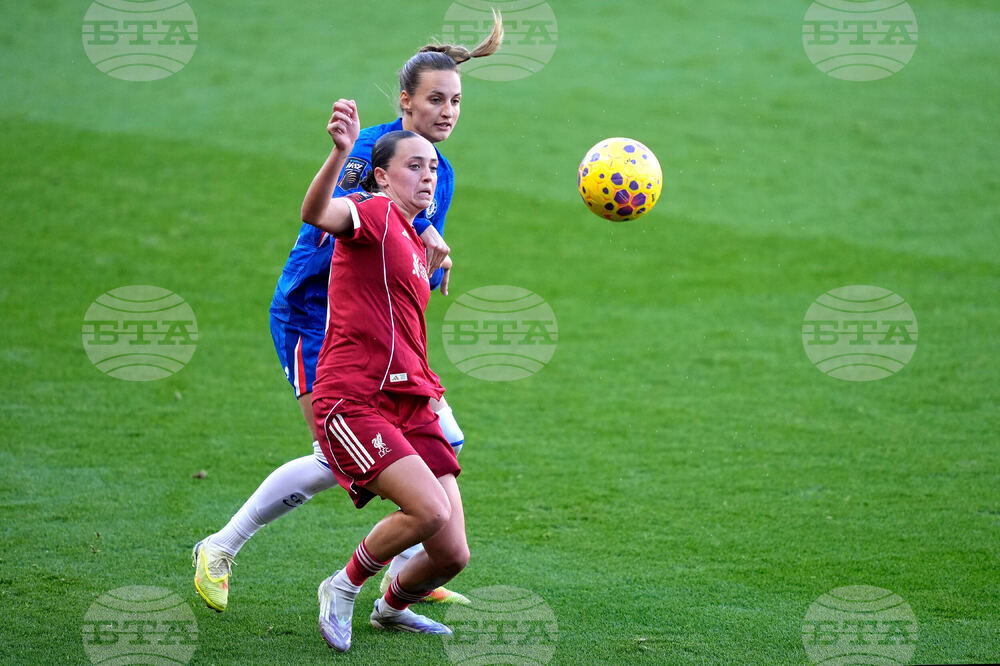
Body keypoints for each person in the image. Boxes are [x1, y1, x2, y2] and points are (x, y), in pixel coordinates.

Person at [192, 13, 503, 613]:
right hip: (316, 316)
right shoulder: (369, 151)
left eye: (456, 101)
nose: (447, 112)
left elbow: (407, 244)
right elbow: (344, 218)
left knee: (443, 439)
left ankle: (415, 561)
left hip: (380, 335)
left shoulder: (441, 171)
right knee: (337, 453)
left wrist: (433, 252)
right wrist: (416, 233)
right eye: (435, 100)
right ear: (406, 101)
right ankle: (221, 547)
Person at [304, 101, 469, 651]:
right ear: (381, 176)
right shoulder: (370, 212)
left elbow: (402, 323)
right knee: (427, 509)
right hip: (356, 398)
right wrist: (339, 153)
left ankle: (392, 608)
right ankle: (342, 586)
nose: (428, 176)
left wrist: (433, 252)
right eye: (414, 166)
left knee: (452, 554)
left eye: (432, 167)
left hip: (412, 400)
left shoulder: (415, 239)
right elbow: (316, 212)